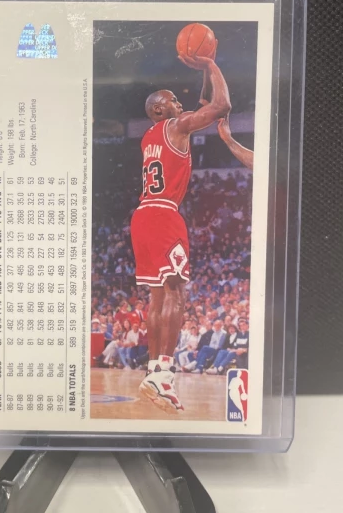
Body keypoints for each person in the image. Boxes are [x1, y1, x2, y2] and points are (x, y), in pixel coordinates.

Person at [132, 49, 231, 413]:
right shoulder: (176, 126)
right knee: (176, 295)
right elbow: (221, 106)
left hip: (142, 215)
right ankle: (163, 373)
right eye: (173, 100)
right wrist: (210, 63)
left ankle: (154, 373)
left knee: (158, 298)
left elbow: (202, 104)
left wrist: (202, 76)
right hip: (164, 214)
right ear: (160, 109)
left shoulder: (149, 136)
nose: (180, 103)